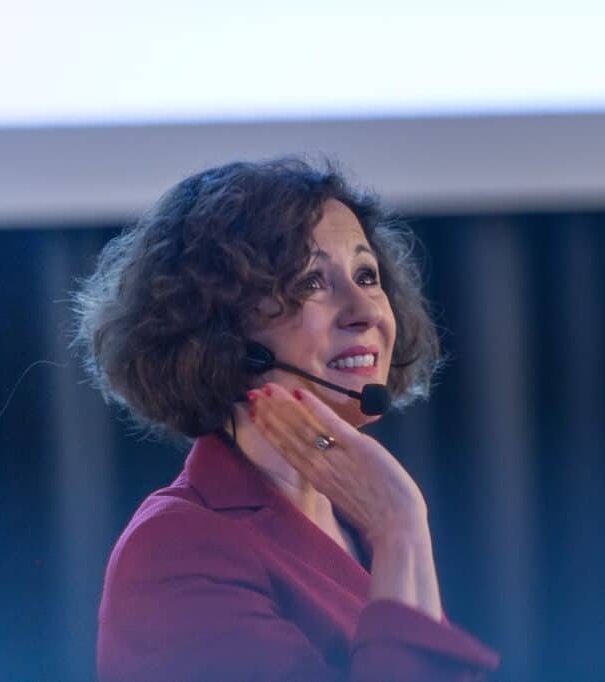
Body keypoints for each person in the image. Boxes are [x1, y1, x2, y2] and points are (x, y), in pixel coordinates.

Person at [73, 157, 501, 680]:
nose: (364, 309)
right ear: (219, 331)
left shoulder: (356, 520)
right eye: (311, 282)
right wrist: (400, 527)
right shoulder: (176, 550)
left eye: (367, 275)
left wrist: (396, 531)